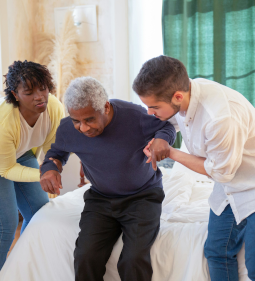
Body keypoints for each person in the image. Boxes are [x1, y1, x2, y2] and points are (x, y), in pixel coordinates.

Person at [133, 55, 255, 281]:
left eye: (154, 107)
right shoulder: (187, 93)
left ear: (178, 96)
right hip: (231, 182)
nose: (150, 112)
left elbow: (219, 172)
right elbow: (170, 122)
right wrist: (161, 138)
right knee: (217, 252)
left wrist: (171, 152)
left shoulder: (219, 118)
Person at [39, 77, 176, 281]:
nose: (83, 128)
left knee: (133, 259)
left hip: (142, 197)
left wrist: (162, 140)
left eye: (89, 120)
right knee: (85, 256)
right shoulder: (68, 128)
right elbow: (56, 153)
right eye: (77, 120)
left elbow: (167, 127)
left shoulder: (134, 116)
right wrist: (49, 169)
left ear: (105, 107)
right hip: (101, 199)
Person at [0, 60, 64, 270]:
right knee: (6, 226)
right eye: (29, 92)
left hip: (21, 152)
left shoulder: (53, 107)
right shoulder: (6, 120)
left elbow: (53, 150)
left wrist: (51, 169)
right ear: (15, 94)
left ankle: (22, 267)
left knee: (39, 213)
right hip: (2, 163)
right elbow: (7, 169)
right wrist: (43, 175)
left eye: (43, 88)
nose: (39, 96)